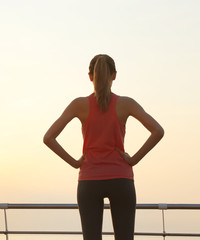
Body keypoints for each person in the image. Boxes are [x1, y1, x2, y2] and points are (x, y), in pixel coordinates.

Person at [43, 54, 164, 240]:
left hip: (89, 181)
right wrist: (133, 160)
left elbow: (48, 137)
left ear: (90, 76)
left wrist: (75, 163)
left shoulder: (79, 105)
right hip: (121, 180)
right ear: (114, 75)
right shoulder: (126, 104)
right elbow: (158, 131)